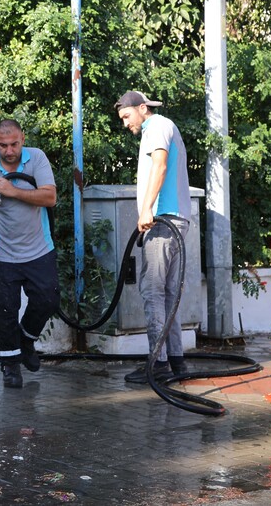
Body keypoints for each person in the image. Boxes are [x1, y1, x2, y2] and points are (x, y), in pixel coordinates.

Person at [0, 119, 59, 389]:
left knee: (48, 298)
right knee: (3, 309)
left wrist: (12, 191)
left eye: (14, 144)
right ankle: (10, 366)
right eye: (3, 145)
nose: (9, 151)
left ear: (22, 139)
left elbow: (49, 197)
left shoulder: (37, 159)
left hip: (38, 248)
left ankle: (26, 339)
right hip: (0, 252)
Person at [114, 90, 191, 384]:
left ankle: (158, 365)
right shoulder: (162, 126)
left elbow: (159, 165)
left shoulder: (156, 126)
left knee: (152, 292)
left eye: (126, 116)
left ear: (142, 108)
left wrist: (146, 209)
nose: (125, 124)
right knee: (168, 293)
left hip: (162, 221)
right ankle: (176, 361)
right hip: (175, 219)